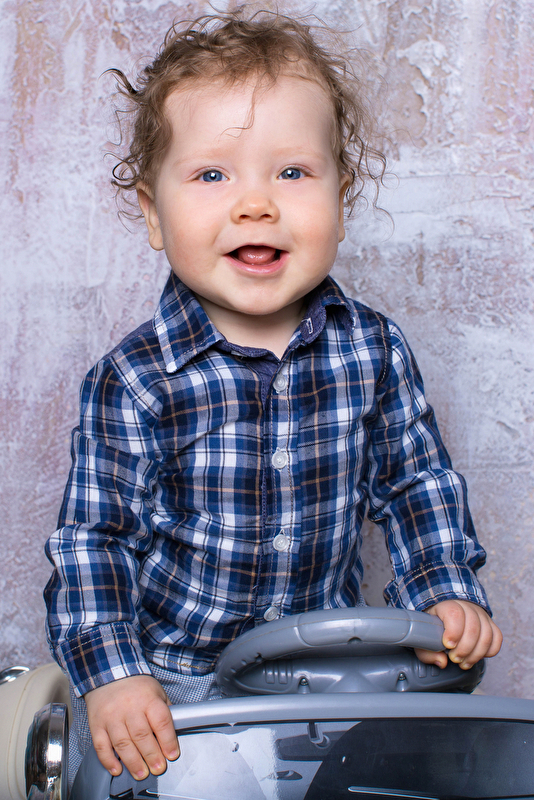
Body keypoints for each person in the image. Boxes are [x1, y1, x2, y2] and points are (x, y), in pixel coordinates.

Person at [44, 6, 502, 784]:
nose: (255, 203)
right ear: (154, 214)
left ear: (341, 199)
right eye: (212, 175)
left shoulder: (373, 350)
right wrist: (115, 673)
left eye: (292, 173)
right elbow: (95, 542)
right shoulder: (135, 379)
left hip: (325, 668)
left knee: (402, 774)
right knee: (196, 783)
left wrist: (444, 594)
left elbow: (415, 484)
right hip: (175, 680)